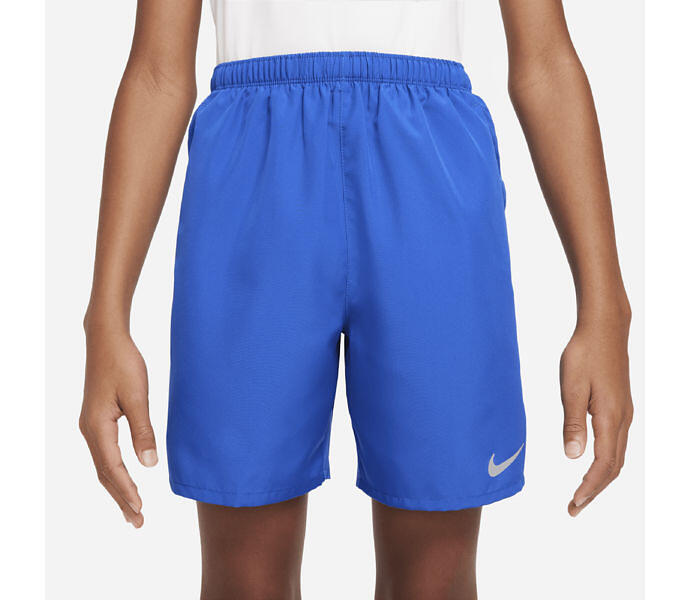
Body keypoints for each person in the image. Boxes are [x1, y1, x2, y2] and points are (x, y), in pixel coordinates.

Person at [79, 0, 634, 597]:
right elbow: (158, 72)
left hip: (426, 169)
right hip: (253, 179)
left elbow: (544, 58)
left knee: (435, 582)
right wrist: (105, 316)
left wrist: (605, 308)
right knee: (244, 580)